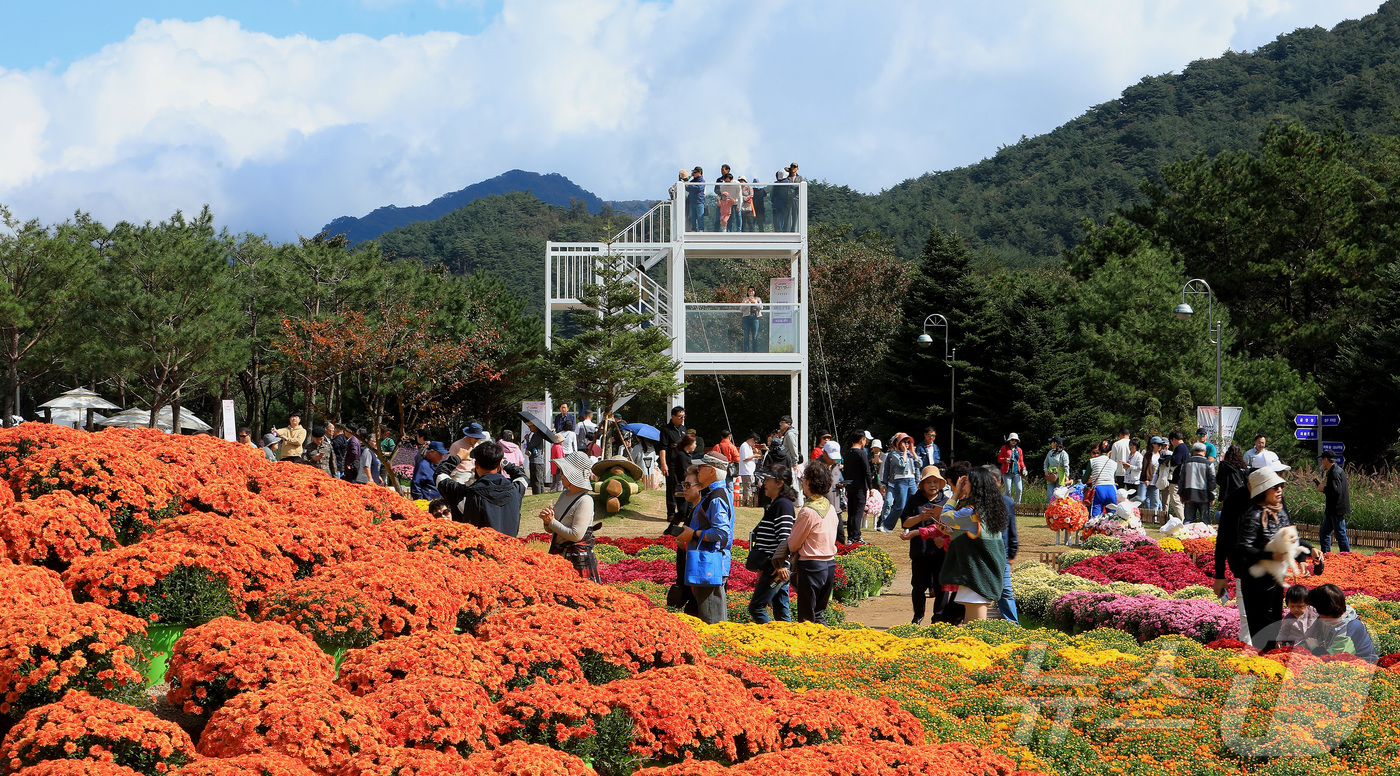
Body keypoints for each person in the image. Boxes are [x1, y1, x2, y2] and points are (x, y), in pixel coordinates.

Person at [1231, 467, 1321, 650]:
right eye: (1275, 487)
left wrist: (1308, 552)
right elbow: (1243, 548)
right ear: (1263, 491)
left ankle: (1272, 663)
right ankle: (1265, 667)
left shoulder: (1279, 511)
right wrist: (1272, 555)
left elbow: (1290, 538)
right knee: (1262, 630)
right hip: (1256, 582)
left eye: (1280, 486)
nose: (1279, 490)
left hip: (1275, 579)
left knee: (1275, 625)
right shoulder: (1254, 515)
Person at [938, 465, 1009, 622]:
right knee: (971, 627)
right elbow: (977, 536)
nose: (964, 484)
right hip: (983, 574)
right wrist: (953, 533)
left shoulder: (970, 511)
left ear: (975, 486)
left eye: (967, 482)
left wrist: (955, 493)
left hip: (977, 576)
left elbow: (946, 517)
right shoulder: (988, 509)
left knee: (976, 630)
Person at [772, 461, 839, 624]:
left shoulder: (808, 511)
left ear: (809, 482)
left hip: (811, 567)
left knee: (806, 619)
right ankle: (827, 645)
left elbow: (793, 544)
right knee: (818, 615)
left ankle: (810, 649)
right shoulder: (829, 507)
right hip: (829, 565)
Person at [675, 453, 734, 624]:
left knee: (711, 620)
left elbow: (722, 533)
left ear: (711, 471)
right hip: (708, 565)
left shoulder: (716, 498)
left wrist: (693, 534)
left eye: (701, 467)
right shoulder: (718, 494)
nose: (698, 470)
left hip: (710, 566)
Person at [437, 441, 524, 538]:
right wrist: (504, 462)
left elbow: (440, 476)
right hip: (511, 551)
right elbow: (521, 477)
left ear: (476, 465)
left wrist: (457, 457)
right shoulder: (515, 490)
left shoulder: (468, 494)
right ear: (499, 466)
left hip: (479, 551)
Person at [898, 464, 950, 625]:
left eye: (936, 482)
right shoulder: (914, 500)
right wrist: (919, 518)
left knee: (942, 587)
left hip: (941, 551)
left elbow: (951, 526)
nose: (933, 485)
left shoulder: (947, 501)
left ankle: (938, 617)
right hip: (920, 550)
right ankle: (918, 615)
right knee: (918, 586)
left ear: (941, 484)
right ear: (922, 484)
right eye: (928, 482)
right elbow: (905, 522)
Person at [538, 451, 600, 581]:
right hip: (559, 556)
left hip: (576, 561)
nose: (560, 474)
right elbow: (552, 529)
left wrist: (552, 521)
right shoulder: (564, 494)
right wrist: (547, 521)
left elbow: (576, 535)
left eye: (562, 471)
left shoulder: (585, 500)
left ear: (572, 474)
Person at [748, 466, 796, 623]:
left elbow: (785, 538)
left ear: (780, 483)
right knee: (781, 611)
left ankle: (769, 639)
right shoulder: (778, 504)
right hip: (774, 566)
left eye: (768, 480)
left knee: (756, 607)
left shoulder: (783, 505)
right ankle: (787, 641)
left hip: (775, 567)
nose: (764, 483)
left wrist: (781, 565)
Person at [1304, 584, 1377, 661]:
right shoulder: (1335, 614)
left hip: (1361, 665)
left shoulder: (1348, 632)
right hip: (1337, 657)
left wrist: (1315, 647)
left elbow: (1331, 660)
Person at [879, 433, 919, 532]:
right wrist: (905, 453)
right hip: (900, 481)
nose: (906, 444)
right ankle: (886, 525)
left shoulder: (911, 454)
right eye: (904, 442)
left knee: (913, 504)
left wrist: (913, 453)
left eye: (908, 442)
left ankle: (909, 526)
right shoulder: (894, 454)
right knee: (900, 505)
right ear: (898, 443)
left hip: (912, 480)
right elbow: (901, 464)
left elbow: (919, 464)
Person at [1316, 450, 1352, 553]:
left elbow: (1336, 491)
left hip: (1337, 508)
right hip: (1333, 509)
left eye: (1322, 460)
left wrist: (1324, 489)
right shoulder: (1336, 470)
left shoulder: (1334, 472)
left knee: (1340, 533)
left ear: (1326, 460)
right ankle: (1327, 555)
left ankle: (1346, 556)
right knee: (1324, 532)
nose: (1322, 462)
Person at [843, 431, 873, 543]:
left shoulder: (847, 453)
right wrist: (871, 487)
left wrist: (846, 486)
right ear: (862, 440)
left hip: (850, 486)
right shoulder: (861, 453)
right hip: (860, 487)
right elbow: (867, 471)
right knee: (858, 512)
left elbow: (845, 471)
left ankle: (851, 536)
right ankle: (856, 536)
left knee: (851, 512)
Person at [659, 406, 688, 521]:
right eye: (680, 417)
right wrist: (663, 464)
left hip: (683, 464)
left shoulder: (684, 429)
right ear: (673, 416)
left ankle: (682, 512)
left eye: (684, 416)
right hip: (671, 463)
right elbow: (663, 448)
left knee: (684, 487)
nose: (682, 419)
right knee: (671, 489)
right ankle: (671, 512)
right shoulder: (666, 430)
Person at [1180, 442, 1217, 524]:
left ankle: (1186, 536)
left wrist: (1181, 494)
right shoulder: (1209, 464)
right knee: (1205, 522)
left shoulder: (1186, 463)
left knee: (1188, 521)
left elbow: (1181, 480)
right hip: (1204, 496)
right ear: (1204, 451)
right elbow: (1212, 481)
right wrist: (1213, 496)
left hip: (1189, 494)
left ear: (1193, 451)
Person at [1161, 430, 1190, 523]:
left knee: (1175, 501)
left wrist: (1169, 459)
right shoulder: (1185, 447)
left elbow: (1176, 461)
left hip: (1176, 478)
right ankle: (1184, 520)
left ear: (1173, 439)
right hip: (1183, 478)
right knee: (1180, 501)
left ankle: (1183, 521)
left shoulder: (1179, 448)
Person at [1277, 584, 1318, 649]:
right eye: (1292, 606)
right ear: (1287, 604)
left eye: (1300, 606)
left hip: (1312, 646)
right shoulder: (1288, 618)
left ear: (1307, 604)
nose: (1296, 609)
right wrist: (1280, 641)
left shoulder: (1313, 613)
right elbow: (1283, 632)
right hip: (1295, 647)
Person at [1084, 441, 1119, 518]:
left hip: (1098, 489)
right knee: (1112, 516)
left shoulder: (1092, 461)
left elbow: (1084, 479)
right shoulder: (1114, 464)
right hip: (1111, 489)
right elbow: (1113, 477)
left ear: (1099, 450)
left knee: (1095, 517)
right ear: (1110, 452)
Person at [996, 433, 1029, 504]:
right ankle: (1007, 505)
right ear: (1009, 440)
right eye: (1012, 440)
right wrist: (1006, 459)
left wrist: (1024, 468)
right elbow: (999, 459)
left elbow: (1021, 460)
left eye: (1016, 440)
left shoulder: (1019, 450)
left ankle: (1017, 505)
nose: (1014, 441)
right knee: (1008, 490)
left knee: (1019, 489)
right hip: (1007, 473)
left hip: (1017, 473)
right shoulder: (1004, 448)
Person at [1042, 436, 1071, 503]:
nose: (1051, 444)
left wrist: (1067, 476)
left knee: (1059, 494)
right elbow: (1046, 462)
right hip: (1051, 475)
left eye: (1051, 442)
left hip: (1060, 476)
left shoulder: (1064, 454)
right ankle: (1050, 509)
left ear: (1055, 443)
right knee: (1050, 494)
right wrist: (1045, 470)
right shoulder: (1050, 452)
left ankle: (1059, 510)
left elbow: (1066, 466)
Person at [1139, 437, 1163, 512]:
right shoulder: (1148, 455)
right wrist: (1146, 479)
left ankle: (1154, 518)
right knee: (1142, 498)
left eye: (1161, 444)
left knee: (1155, 501)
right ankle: (1128, 503)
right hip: (1146, 480)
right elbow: (1145, 467)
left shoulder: (1161, 455)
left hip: (1156, 482)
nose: (1160, 446)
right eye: (1158, 444)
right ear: (1153, 444)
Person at [525, 424, 550, 495]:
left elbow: (530, 446)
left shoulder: (537, 435)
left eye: (530, 426)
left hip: (536, 461)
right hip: (537, 460)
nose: (529, 428)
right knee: (539, 480)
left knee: (536, 480)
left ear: (535, 426)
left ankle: (537, 495)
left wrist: (527, 440)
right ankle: (540, 495)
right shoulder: (536, 435)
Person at [738, 432, 762, 507]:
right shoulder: (744, 446)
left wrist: (755, 456)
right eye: (754, 442)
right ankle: (747, 503)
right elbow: (745, 458)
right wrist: (754, 456)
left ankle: (749, 502)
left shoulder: (749, 446)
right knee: (747, 488)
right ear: (751, 439)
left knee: (750, 487)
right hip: (746, 471)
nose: (754, 444)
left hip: (750, 470)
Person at [741, 286, 763, 353]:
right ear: (747, 292)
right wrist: (747, 303)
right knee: (746, 335)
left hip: (755, 318)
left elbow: (761, 307)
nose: (751, 292)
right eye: (749, 291)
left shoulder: (758, 299)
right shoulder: (745, 299)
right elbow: (741, 309)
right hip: (746, 318)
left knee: (755, 336)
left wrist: (755, 302)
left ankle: (755, 352)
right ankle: (746, 352)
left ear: (754, 292)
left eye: (752, 291)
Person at [685, 167, 706, 232]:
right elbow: (687, 188)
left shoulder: (702, 181)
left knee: (700, 217)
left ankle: (701, 229)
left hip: (699, 201)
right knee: (692, 217)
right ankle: (693, 229)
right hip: (692, 201)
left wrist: (690, 185)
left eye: (695, 172)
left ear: (699, 172)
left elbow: (699, 188)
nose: (693, 174)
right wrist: (688, 179)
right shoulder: (693, 181)